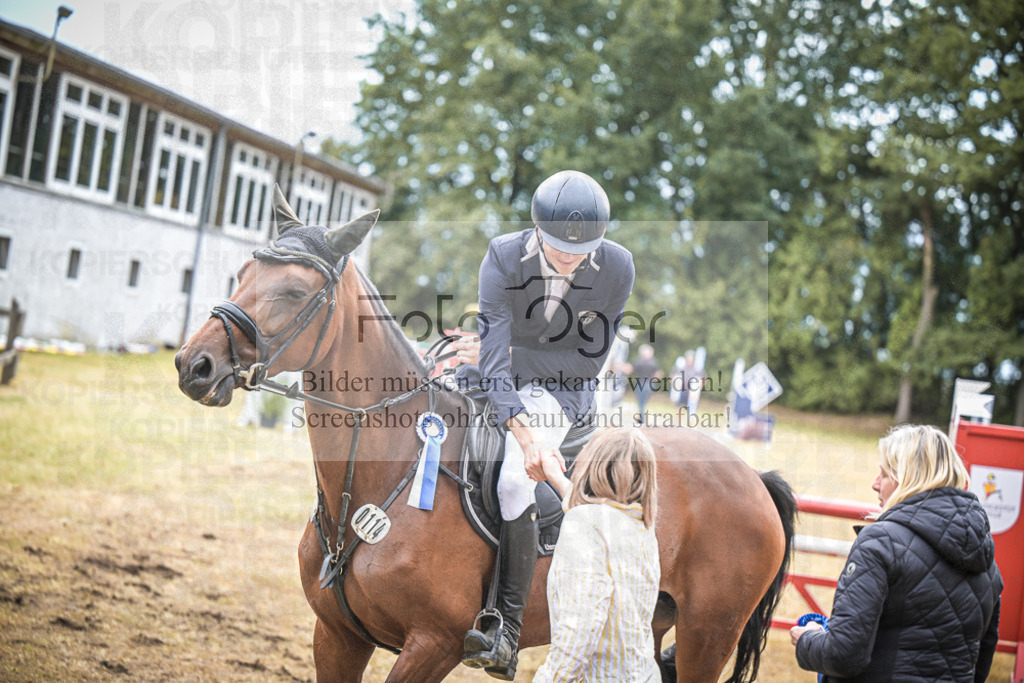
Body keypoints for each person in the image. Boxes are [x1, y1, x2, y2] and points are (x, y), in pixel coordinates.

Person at [455, 170, 636, 679]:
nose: (570, 258)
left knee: (516, 480)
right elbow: (491, 357)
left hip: (563, 392)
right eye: (558, 248)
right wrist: (504, 362)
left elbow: (585, 363)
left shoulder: (618, 266)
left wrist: (513, 356)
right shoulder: (503, 254)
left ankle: (505, 632)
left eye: (581, 252)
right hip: (499, 376)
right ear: (536, 230)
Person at [790, 424, 1002, 682]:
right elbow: (981, 664)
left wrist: (807, 638)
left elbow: (842, 655)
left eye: (884, 474)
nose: (874, 484)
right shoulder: (987, 563)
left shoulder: (880, 543)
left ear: (909, 479)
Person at [533, 427, 660, 682]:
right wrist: (555, 478)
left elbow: (578, 632)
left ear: (593, 466)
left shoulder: (584, 523)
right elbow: (600, 514)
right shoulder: (641, 524)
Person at [629, 344, 662, 424]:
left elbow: (629, 370)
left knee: (641, 402)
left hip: (642, 383)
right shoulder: (654, 362)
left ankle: (641, 420)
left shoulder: (639, 361)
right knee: (644, 402)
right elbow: (659, 374)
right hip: (650, 384)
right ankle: (642, 418)